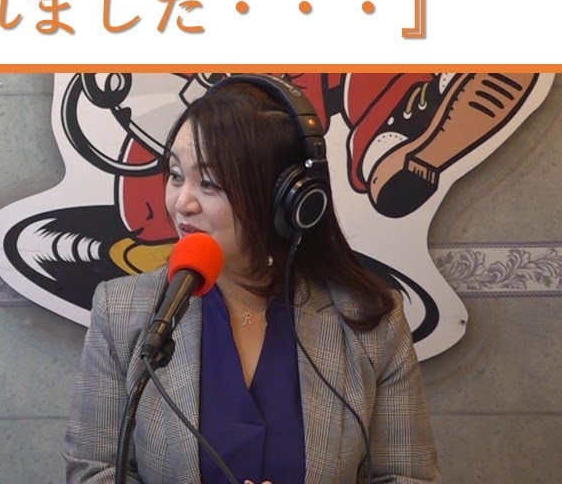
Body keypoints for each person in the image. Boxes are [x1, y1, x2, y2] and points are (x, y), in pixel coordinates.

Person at [64, 75, 439, 484]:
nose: (181, 202)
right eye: (175, 175)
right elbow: (94, 471)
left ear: (286, 199)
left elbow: (408, 476)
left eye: (209, 183)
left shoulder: (371, 321)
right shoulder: (121, 311)